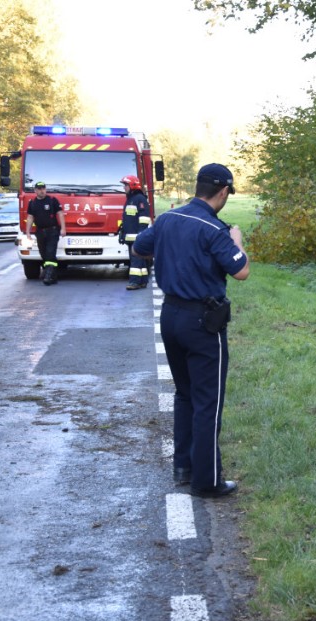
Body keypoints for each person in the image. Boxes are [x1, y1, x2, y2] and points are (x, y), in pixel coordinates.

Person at [133, 163, 249, 498]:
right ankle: (208, 481)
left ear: (198, 187)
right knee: (207, 402)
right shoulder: (214, 229)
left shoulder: (169, 219)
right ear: (223, 192)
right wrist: (237, 241)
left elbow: (140, 247)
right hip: (203, 322)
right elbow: (241, 271)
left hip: (170, 316)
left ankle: (183, 468)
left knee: (184, 394)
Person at [24, 181, 66, 285]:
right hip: (40, 232)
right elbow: (30, 217)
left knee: (50, 253)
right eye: (39, 189)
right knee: (43, 254)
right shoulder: (32, 203)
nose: (42, 191)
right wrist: (28, 232)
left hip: (52, 231)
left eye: (43, 188)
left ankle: (48, 277)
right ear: (35, 191)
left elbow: (60, 214)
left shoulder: (52, 200)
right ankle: (53, 275)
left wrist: (63, 229)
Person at [118, 174, 152, 289]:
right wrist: (122, 233)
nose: (124, 188)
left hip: (137, 237)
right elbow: (128, 219)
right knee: (139, 260)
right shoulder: (130, 199)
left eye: (126, 185)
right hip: (130, 237)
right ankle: (143, 281)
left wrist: (141, 234)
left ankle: (134, 282)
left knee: (135, 261)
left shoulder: (140, 199)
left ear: (132, 185)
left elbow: (144, 218)